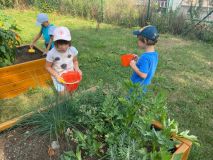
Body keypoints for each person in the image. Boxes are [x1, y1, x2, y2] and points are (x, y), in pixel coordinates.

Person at [45, 27, 82, 94]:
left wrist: (77, 69)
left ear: (69, 42)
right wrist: (56, 75)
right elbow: (48, 67)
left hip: (70, 74)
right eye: (60, 44)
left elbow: (75, 61)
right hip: (58, 76)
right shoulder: (51, 53)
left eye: (66, 44)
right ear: (55, 42)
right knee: (63, 94)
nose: (63, 47)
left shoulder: (72, 50)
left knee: (71, 90)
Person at [130, 25, 159, 92]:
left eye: (139, 39)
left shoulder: (145, 57)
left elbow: (143, 75)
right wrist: (138, 59)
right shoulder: (154, 55)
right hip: (144, 86)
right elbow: (148, 65)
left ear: (145, 41)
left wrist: (134, 66)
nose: (137, 41)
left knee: (132, 101)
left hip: (137, 87)